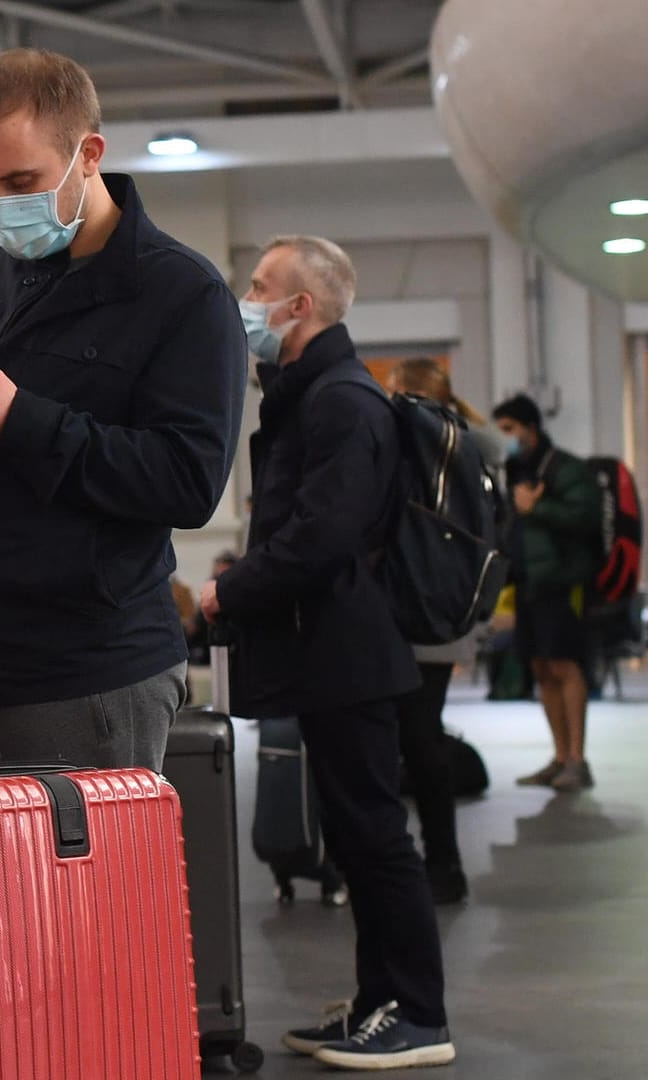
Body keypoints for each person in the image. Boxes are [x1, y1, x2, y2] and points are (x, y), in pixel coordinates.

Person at [0, 48, 246, 771]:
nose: (0, 205)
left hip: (87, 669)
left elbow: (189, 482)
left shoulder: (182, 294)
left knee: (68, 884)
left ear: (89, 155)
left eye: (21, 182)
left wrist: (21, 423)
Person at [204, 235, 453, 1070]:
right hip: (329, 652)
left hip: (350, 654)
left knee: (376, 839)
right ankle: (381, 1001)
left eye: (260, 285)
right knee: (353, 838)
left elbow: (321, 536)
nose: (248, 298)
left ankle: (418, 1014)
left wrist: (227, 593)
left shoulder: (342, 402)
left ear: (299, 307)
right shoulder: (315, 395)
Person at [391, 358, 500, 903]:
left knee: (409, 739)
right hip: (453, 603)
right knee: (425, 733)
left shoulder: (412, 433)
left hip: (409, 601)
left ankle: (422, 864)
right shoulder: (477, 442)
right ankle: (445, 864)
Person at [493, 392, 602, 793]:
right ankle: (558, 758)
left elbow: (586, 518)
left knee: (565, 667)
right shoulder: (516, 471)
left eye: (509, 430)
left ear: (531, 429)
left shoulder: (566, 469)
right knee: (540, 669)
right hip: (527, 584)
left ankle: (578, 758)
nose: (504, 437)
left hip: (561, 585)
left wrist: (536, 509)